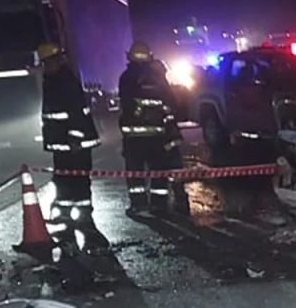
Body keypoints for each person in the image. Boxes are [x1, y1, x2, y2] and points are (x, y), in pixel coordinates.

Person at [37, 42, 104, 244]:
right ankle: (66, 218)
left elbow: (77, 112)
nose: (46, 66)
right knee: (64, 181)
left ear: (55, 60)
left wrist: (74, 137)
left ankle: (83, 218)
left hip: (74, 146)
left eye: (47, 62)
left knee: (77, 182)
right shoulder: (53, 79)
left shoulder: (64, 81)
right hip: (64, 145)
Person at [118, 41, 190, 215]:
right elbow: (171, 102)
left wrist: (135, 115)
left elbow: (126, 104)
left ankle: (139, 204)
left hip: (133, 138)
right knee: (159, 171)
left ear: (130, 56)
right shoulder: (158, 78)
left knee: (135, 173)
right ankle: (159, 205)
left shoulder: (127, 77)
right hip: (158, 135)